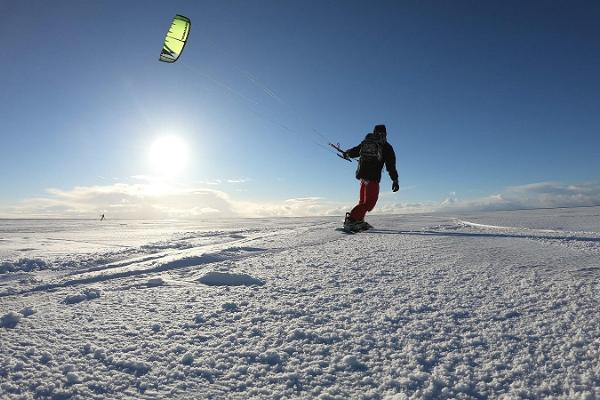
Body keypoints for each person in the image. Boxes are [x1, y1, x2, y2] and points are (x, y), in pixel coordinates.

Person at [342, 124, 399, 231]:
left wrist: (347, 153)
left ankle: (359, 220)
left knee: (363, 201)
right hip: (372, 178)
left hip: (362, 177)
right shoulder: (386, 146)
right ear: (386, 134)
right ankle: (352, 220)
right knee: (369, 203)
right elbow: (390, 166)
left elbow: (355, 151)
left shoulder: (366, 142)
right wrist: (394, 179)